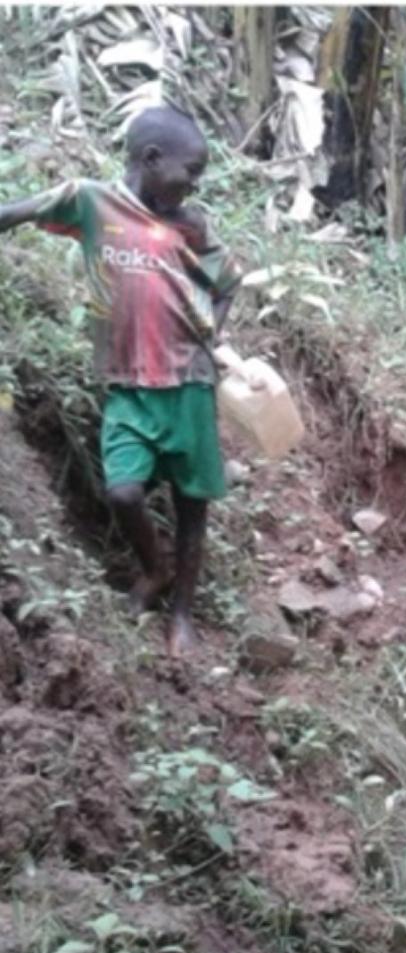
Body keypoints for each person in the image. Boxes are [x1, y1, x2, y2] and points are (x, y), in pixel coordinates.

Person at [0, 104, 242, 657]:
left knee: (191, 503)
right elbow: (15, 212)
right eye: (191, 171)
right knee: (123, 490)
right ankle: (155, 570)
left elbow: (229, 283)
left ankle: (181, 615)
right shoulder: (90, 200)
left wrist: (212, 334)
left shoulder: (191, 226)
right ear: (151, 159)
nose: (194, 185)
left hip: (189, 382)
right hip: (127, 383)